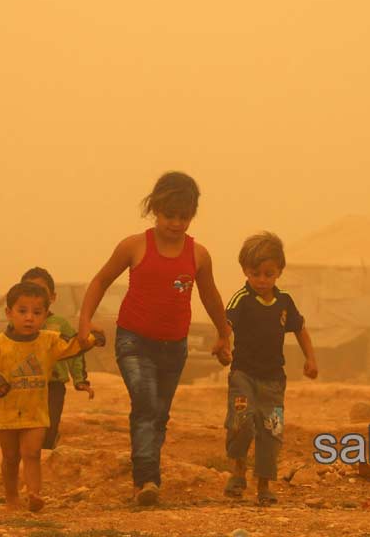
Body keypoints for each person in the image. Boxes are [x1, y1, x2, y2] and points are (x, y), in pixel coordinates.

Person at [75, 171, 232, 506]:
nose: (175, 223)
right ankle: (146, 481)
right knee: (146, 405)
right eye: (169, 215)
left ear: (192, 216)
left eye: (183, 217)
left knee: (159, 413)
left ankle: (145, 478)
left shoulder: (198, 255)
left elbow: (211, 297)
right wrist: (85, 321)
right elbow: (101, 281)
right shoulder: (134, 246)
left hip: (174, 347)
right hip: (134, 341)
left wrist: (224, 333)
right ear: (154, 209)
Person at [0, 282, 104, 513]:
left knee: (33, 453)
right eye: (22, 311)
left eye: (36, 313)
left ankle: (34, 494)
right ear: (8, 313)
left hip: (36, 411)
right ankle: (12, 496)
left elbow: (73, 345)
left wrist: (93, 338)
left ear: (45, 315)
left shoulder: (49, 340)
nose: (29, 318)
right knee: (11, 457)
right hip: (6, 412)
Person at [222, 232, 318, 506]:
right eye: (256, 274)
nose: (262, 280)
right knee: (242, 420)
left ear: (279, 272)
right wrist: (222, 344)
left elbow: (300, 329)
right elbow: (226, 324)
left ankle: (263, 483)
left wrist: (310, 358)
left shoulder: (285, 301)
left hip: (274, 381)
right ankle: (238, 469)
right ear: (245, 271)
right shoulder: (241, 298)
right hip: (243, 375)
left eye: (269, 273)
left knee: (271, 430)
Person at [20, 267, 95, 450]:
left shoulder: (60, 324)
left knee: (49, 428)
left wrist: (80, 380)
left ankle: (48, 451)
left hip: (53, 386)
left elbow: (75, 351)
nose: (34, 296)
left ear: (52, 297)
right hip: (24, 386)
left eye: (40, 291)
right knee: (26, 430)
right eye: (29, 291)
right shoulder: (16, 325)